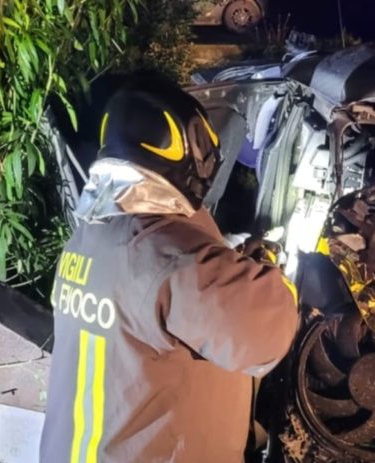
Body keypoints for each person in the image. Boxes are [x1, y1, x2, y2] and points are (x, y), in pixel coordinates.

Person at [40, 77, 299, 463]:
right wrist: (277, 279)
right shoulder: (170, 257)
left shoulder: (89, 238)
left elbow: (152, 295)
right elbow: (264, 333)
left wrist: (229, 260)